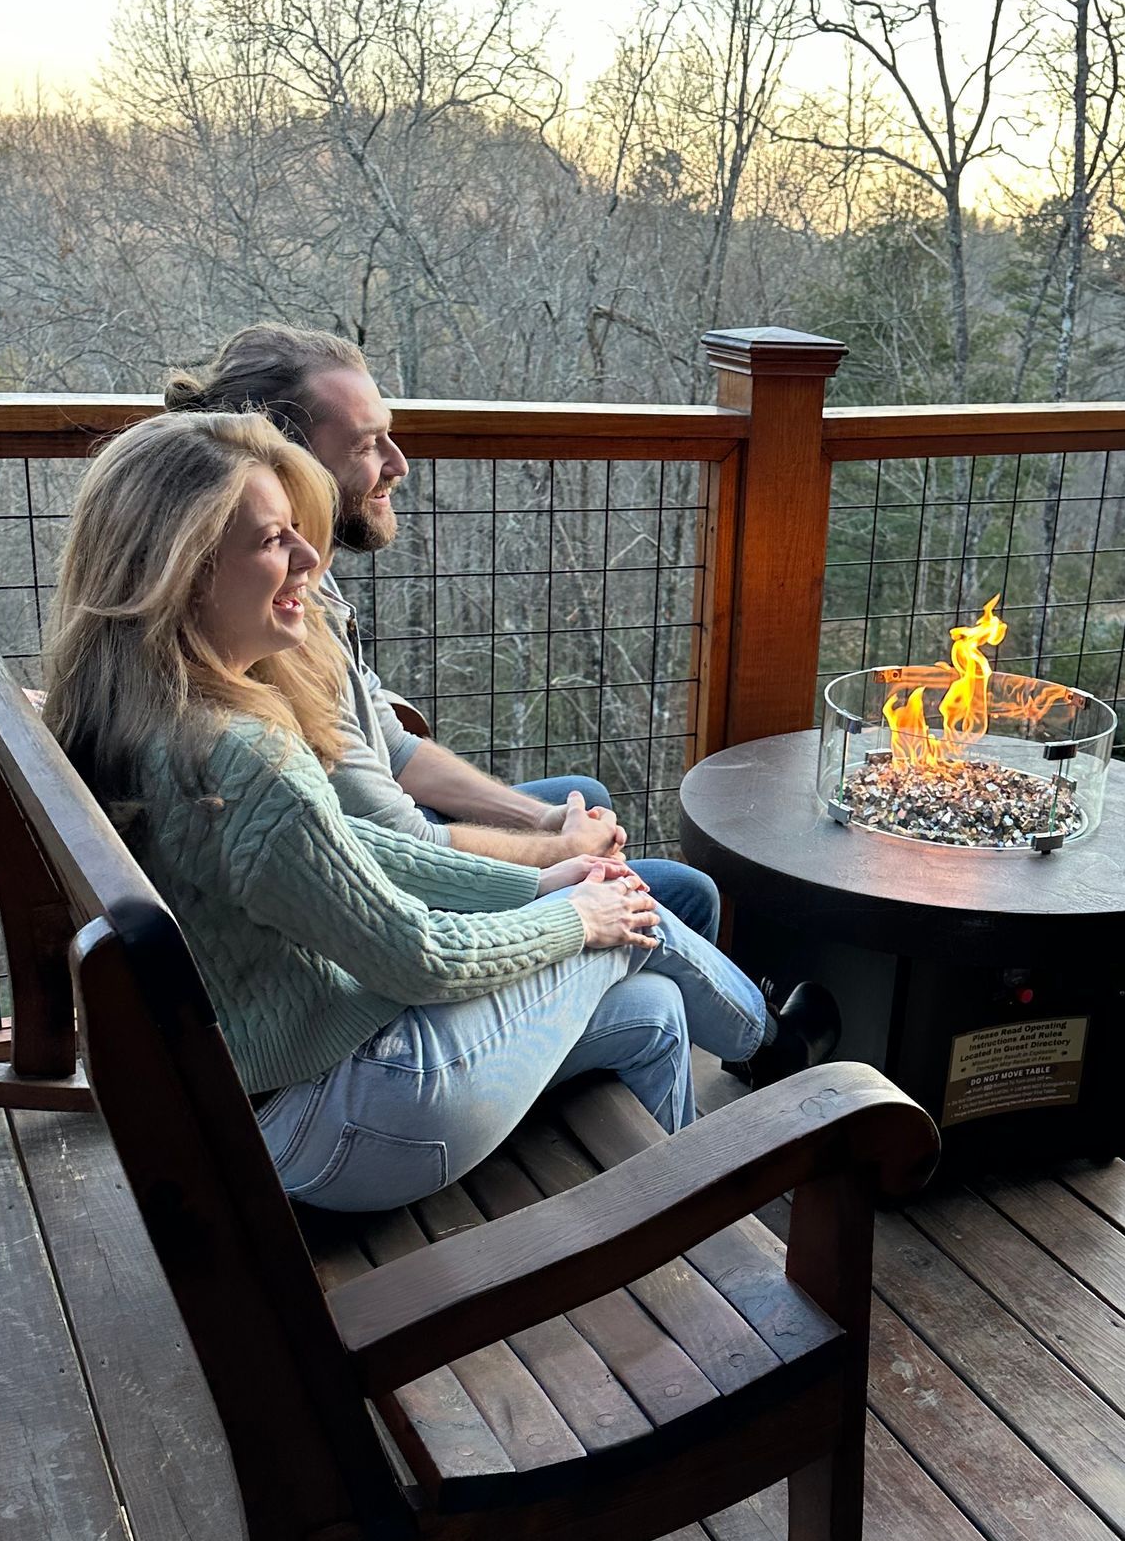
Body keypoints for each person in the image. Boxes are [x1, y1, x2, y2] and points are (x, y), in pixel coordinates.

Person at [42, 407, 779, 1212]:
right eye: (270, 541)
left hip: (262, 1096)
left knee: (656, 1009)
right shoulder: (238, 754)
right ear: (180, 574)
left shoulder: (138, 713)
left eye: (299, 530)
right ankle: (774, 1050)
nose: (306, 558)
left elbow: (346, 849)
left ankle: (674, 1227)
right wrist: (578, 914)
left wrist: (532, 888)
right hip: (337, 1123)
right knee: (632, 910)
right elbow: (418, 959)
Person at [160, 322, 724, 937]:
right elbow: (401, 849)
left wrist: (543, 824)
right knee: (684, 894)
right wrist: (560, 860)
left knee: (579, 795)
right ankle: (760, 1030)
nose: (398, 463)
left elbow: (394, 746)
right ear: (286, 460)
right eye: (366, 444)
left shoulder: (306, 579)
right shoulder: (263, 624)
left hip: (384, 849)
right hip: (382, 896)